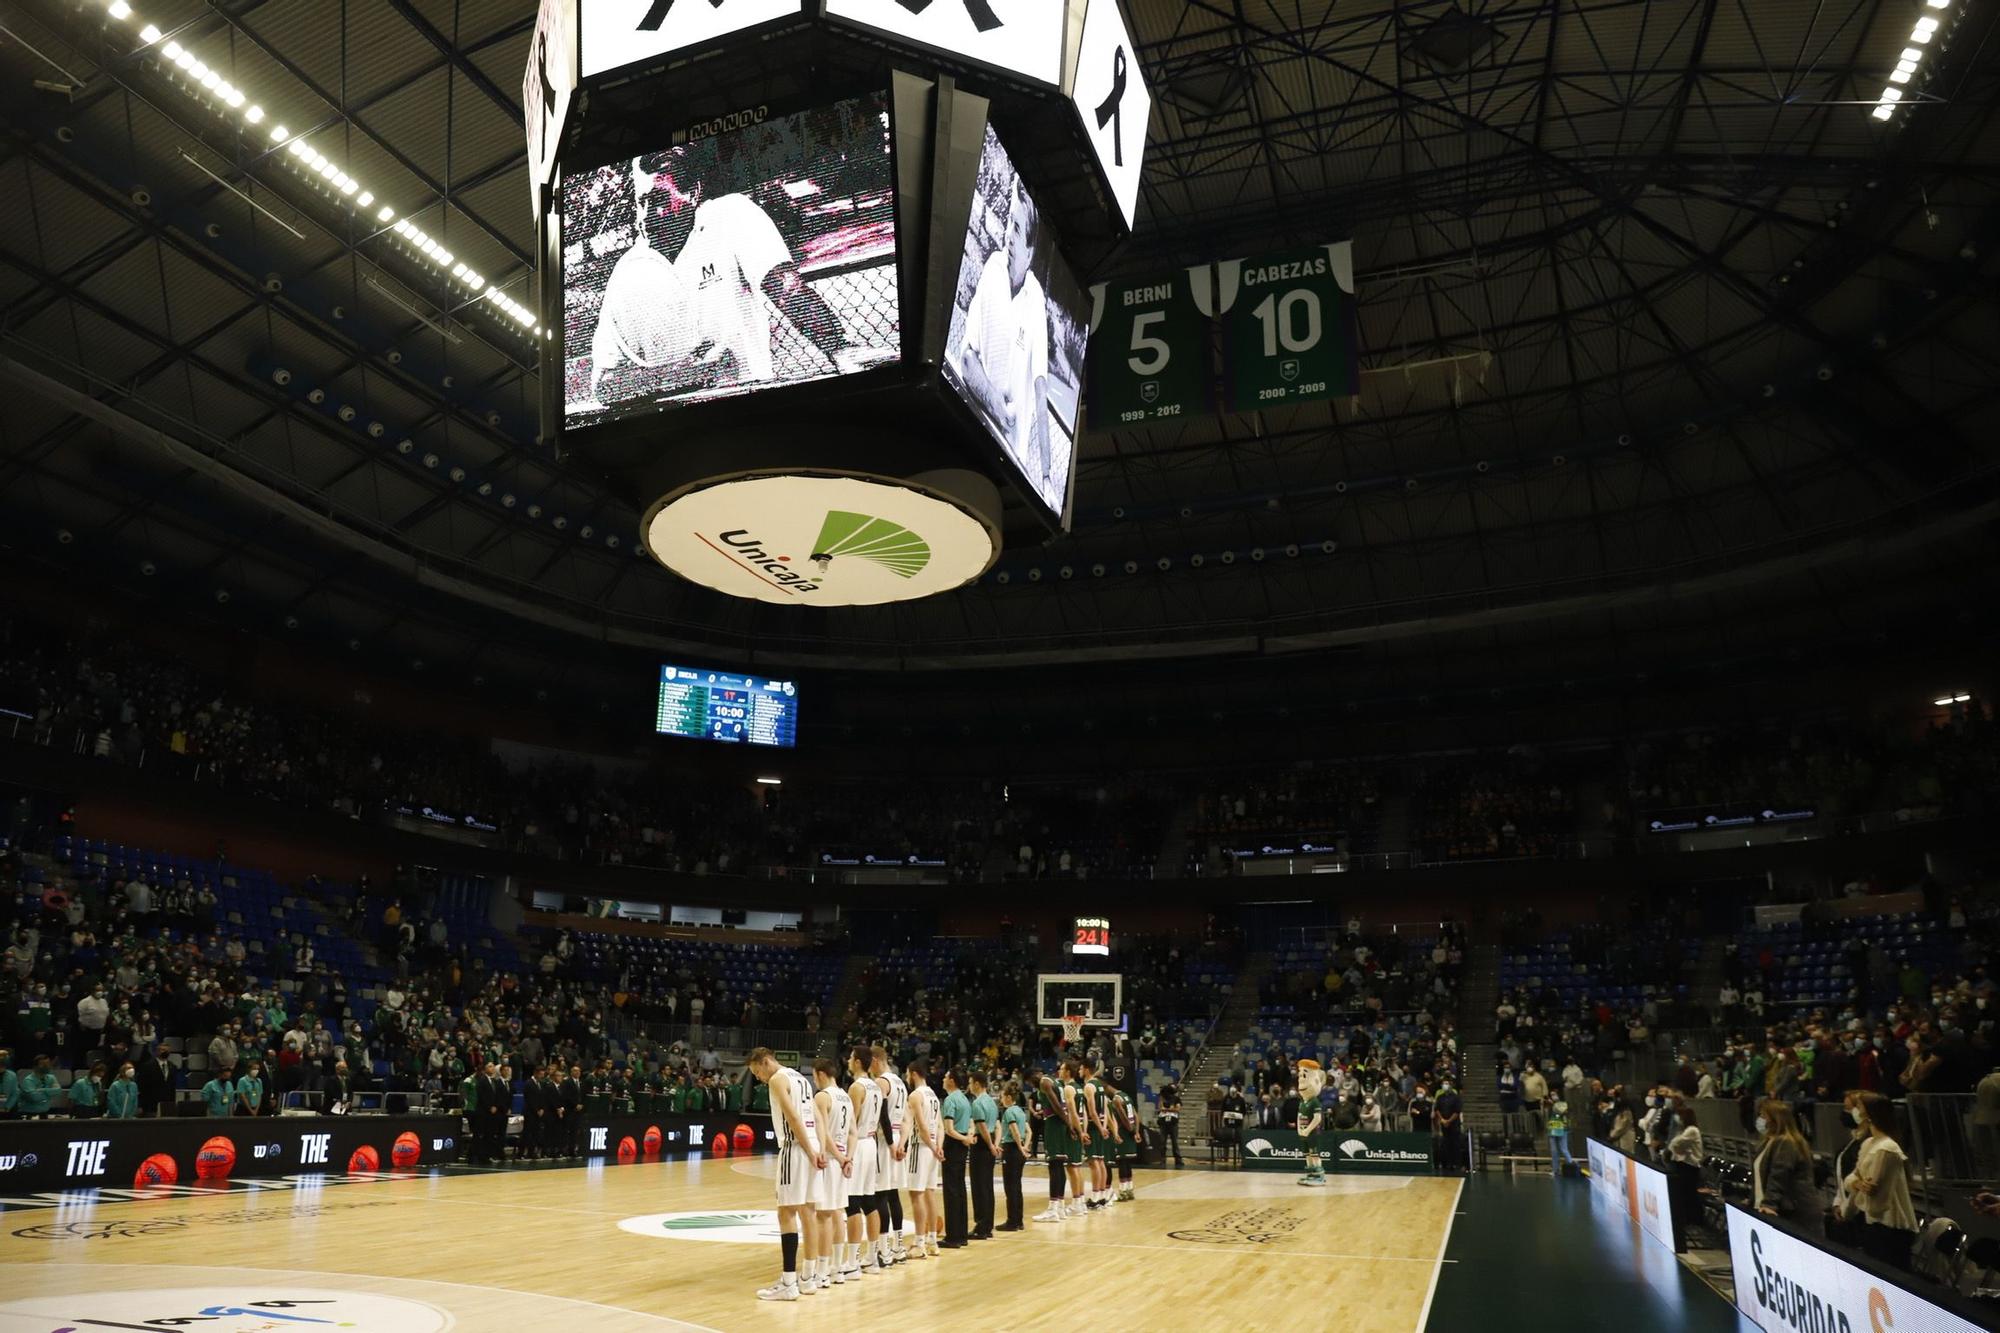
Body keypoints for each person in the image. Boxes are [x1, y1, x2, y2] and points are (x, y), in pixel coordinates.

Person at [588, 153, 855, 403]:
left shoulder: (729, 216)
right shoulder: (628, 269)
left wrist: (842, 351)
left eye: (658, 200)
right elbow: (603, 386)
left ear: (693, 193)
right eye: (641, 202)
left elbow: (786, 290)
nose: (646, 217)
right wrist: (692, 372)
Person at [953, 174, 1054, 497]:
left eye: (1018, 230)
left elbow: (1041, 391)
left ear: (1030, 250)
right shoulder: (993, 267)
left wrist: (1048, 479)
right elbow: (967, 356)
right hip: (972, 434)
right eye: (1009, 223)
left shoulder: (1035, 299)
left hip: (1010, 463)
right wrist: (1000, 408)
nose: (1009, 237)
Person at [752, 1049, 825, 1301]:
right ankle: (809, 1278)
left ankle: (788, 1281)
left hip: (795, 1148)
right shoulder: (802, 1078)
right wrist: (819, 1149)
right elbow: (817, 1117)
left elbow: (793, 1118)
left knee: (786, 1212)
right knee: (809, 1212)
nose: (759, 1078)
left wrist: (806, 1148)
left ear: (765, 1061)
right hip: (813, 1145)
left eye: (757, 1072)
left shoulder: (777, 1079)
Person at [1842, 1091, 1916, 1270]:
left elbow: (1875, 1203)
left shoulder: (1887, 1148)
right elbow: (1851, 1178)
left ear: (1869, 1113)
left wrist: (1857, 1186)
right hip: (1873, 1225)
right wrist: (1857, 1184)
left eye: (1858, 1107)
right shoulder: (1869, 1143)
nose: (1855, 1111)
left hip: (1889, 1228)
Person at [809, 1058, 853, 1289]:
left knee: (823, 1216)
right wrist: (848, 1157)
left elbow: (823, 1134)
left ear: (821, 1074)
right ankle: (838, 1268)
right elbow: (853, 1133)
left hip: (830, 1159)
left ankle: (822, 1271)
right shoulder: (846, 1096)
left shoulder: (822, 1097)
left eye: (815, 1076)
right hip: (842, 1158)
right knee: (837, 1212)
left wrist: (837, 1156)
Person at [843, 1046, 886, 1278]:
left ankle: (852, 1261)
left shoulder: (856, 1087)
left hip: (858, 1144)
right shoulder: (876, 1086)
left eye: (851, 1057)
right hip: (871, 1144)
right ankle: (872, 1257)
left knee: (852, 1202)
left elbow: (852, 1121)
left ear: (858, 1062)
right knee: (870, 1201)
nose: (848, 1060)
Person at [871, 1045, 910, 1263]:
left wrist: (891, 1144)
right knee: (893, 1196)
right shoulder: (900, 1083)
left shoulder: (881, 1082)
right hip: (897, 1139)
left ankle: (884, 1251)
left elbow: (883, 1117)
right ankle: (899, 1247)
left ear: (876, 1060)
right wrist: (902, 1143)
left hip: (885, 1142)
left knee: (881, 1196)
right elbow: (905, 1119)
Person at [1752, 1100, 1819, 1227]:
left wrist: (1770, 1204)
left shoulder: (1786, 1143)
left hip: (1795, 1213)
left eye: (1763, 1116)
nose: (1760, 1120)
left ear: (1775, 1119)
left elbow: (1779, 1175)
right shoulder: (1767, 1143)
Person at [905, 1060, 945, 1259]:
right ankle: (932, 1241)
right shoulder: (934, 1096)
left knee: (917, 1195)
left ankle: (919, 1243)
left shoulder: (915, 1095)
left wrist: (931, 1146)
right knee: (930, 1194)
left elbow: (921, 1127)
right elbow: (939, 1126)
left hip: (920, 1148)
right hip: (932, 1149)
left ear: (913, 1074)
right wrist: (938, 1147)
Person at [1031, 1064, 1074, 1223]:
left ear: (1036, 1074)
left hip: (1054, 1125)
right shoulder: (1058, 1082)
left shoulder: (1044, 1082)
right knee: (1059, 1165)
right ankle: (1060, 1207)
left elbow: (1056, 1106)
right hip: (1060, 1124)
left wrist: (1069, 1124)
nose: (1031, 1084)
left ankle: (1052, 1208)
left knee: (1054, 1165)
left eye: (1030, 1081)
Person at [937, 1069, 973, 1248]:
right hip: (963, 1144)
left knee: (951, 1190)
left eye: (945, 1076)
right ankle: (962, 1234)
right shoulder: (965, 1099)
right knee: (959, 1189)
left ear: (951, 1080)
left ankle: (952, 1236)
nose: (943, 1079)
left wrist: (962, 1138)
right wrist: (968, 1137)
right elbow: (970, 1123)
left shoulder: (951, 1100)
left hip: (953, 1144)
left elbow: (949, 1129)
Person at [968, 1072, 999, 1239]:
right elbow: (997, 1126)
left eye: (971, 1082)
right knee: (987, 1186)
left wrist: (989, 1145)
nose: (969, 1085)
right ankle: (988, 1224)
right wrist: (995, 1144)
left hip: (982, 1144)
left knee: (979, 1186)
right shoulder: (993, 1103)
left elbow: (982, 1127)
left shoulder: (977, 1103)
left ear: (977, 1084)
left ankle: (981, 1225)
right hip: (991, 1142)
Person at [999, 1081, 1030, 1230]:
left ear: (1009, 1097)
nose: (1001, 1099)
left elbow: (1014, 1130)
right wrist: (1025, 1146)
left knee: (1010, 1187)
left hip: (1011, 1149)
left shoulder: (1009, 1112)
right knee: (1017, 1186)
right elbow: (1028, 1131)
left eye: (1003, 1096)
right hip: (1019, 1150)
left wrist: (1019, 1146)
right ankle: (1019, 1220)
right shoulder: (1020, 1112)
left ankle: (1012, 1221)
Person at [1296, 1059, 1328, 1186]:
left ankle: (1319, 1176)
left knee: (1314, 1154)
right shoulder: (1302, 1102)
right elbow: (1299, 1116)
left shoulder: (1315, 1101)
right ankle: (1310, 1174)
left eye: (1304, 1075)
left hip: (1313, 1132)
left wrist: (1308, 1130)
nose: (1301, 1080)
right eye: (1300, 1076)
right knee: (1307, 1154)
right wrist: (1299, 1129)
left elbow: (1317, 1119)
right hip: (1303, 1132)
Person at [1547, 1089, 1587, 1177]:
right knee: (1554, 1151)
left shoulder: (1563, 1104)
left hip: (1562, 1129)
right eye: (1552, 1095)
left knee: (1564, 1149)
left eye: (1554, 1094)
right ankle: (1555, 1170)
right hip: (1552, 1128)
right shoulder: (1550, 1105)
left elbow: (1561, 1111)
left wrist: (1553, 1104)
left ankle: (1573, 1168)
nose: (1553, 1096)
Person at [1434, 1078, 1465, 1173]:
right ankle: (1448, 1163)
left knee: (1455, 1144)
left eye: (1446, 1083)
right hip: (1444, 1124)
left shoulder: (1456, 1097)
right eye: (1443, 1083)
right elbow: (1437, 1109)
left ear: (1450, 1085)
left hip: (1454, 1124)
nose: (1445, 1085)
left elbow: (1457, 1111)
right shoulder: (1440, 1097)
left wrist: (1449, 1121)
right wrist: (1442, 1120)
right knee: (1445, 1144)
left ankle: (1457, 1164)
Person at [1157, 1077, 1184, 1166]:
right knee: (1162, 1142)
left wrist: (1167, 1110)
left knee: (1175, 1142)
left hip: (1173, 1123)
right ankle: (1162, 1159)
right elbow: (1160, 1108)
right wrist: (1169, 1109)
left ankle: (1178, 1159)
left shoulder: (1176, 1099)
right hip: (1163, 1123)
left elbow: (1178, 1109)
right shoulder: (1162, 1098)